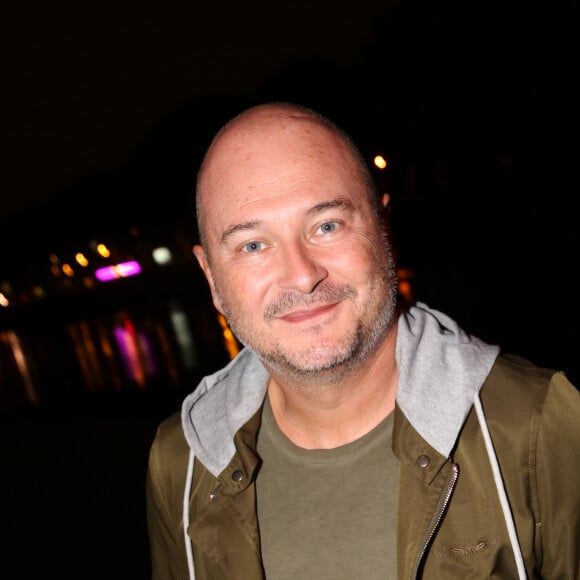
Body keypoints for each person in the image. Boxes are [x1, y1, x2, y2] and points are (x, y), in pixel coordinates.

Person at [145, 102, 580, 579]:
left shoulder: (539, 426)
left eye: (327, 225)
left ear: (383, 227)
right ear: (212, 279)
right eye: (253, 245)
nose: (302, 275)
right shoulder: (182, 460)